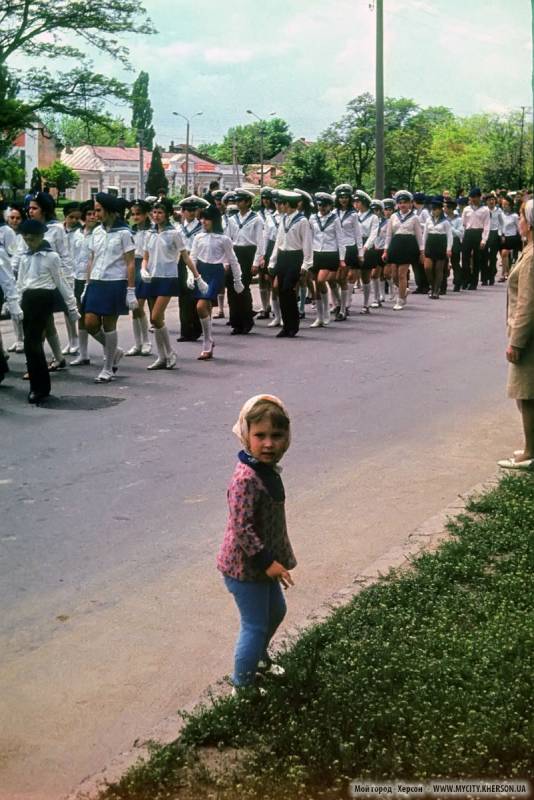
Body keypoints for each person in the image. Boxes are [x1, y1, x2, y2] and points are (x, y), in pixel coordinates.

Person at [217, 395, 296, 691]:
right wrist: (269, 563)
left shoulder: (266, 470)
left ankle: (259, 659)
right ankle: (243, 686)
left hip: (262, 565)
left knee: (276, 612)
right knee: (254, 625)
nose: (268, 444)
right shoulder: (246, 478)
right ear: (245, 436)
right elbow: (242, 528)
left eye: (276, 436)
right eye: (259, 435)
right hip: (245, 568)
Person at [16, 219, 79, 403]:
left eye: (33, 238)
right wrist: (16, 303)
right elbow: (21, 282)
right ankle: (38, 385)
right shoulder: (25, 257)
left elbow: (61, 281)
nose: (29, 240)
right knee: (30, 345)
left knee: (33, 343)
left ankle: (40, 387)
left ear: (41, 236)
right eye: (26, 238)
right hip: (28, 299)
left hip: (43, 298)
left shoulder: (51, 257)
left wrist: (71, 305)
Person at [82, 192, 138, 383]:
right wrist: (86, 284)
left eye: (99, 210)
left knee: (109, 325)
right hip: (96, 282)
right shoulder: (96, 232)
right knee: (89, 322)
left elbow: (130, 263)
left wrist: (131, 291)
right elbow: (91, 259)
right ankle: (115, 351)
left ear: (110, 211)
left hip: (115, 282)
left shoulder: (124, 233)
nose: (95, 214)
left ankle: (107, 368)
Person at [139, 199, 201, 370]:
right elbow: (145, 257)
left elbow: (185, 256)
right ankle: (162, 356)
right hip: (152, 278)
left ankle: (170, 353)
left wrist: (197, 277)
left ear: (166, 214)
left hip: (168, 277)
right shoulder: (149, 234)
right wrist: (142, 270)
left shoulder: (174, 233)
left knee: (155, 317)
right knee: (157, 320)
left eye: (160, 212)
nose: (156, 215)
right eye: (154, 212)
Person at [498, 198, 534, 471]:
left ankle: (530, 452)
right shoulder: (528, 250)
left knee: (526, 393)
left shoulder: (531, 257)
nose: (518, 223)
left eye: (521, 218)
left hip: (528, 338)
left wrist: (516, 341)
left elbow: (527, 303)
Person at [189, 204, 242, 360]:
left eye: (208, 219)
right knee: (205, 308)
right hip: (201, 271)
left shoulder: (224, 239)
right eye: (202, 219)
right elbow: (192, 257)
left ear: (215, 220)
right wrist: (191, 275)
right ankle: (209, 339)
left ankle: (207, 341)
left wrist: (237, 280)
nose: (204, 222)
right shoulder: (198, 237)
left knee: (201, 306)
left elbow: (233, 260)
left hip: (216, 272)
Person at [267, 190, 313, 337]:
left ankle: (293, 325)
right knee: (281, 290)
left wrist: (306, 264)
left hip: (295, 257)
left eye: (281, 203)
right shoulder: (284, 219)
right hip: (283, 257)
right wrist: (273, 260)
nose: (279, 206)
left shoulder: (302, 220)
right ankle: (286, 326)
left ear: (288, 204)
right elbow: (278, 242)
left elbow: (307, 243)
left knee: (288, 289)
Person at [226, 188, 263, 334]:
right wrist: (226, 260)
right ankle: (236, 322)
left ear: (248, 202)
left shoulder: (256, 219)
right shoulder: (232, 219)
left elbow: (260, 242)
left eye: (240, 200)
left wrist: (256, 262)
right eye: (236, 201)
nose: (238, 203)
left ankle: (246, 321)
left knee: (243, 288)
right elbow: (227, 240)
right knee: (232, 288)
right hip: (235, 252)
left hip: (248, 253)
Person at [69, 200, 99, 366]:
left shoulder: (100, 233)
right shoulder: (76, 234)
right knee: (80, 315)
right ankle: (83, 353)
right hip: (78, 277)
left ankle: (109, 350)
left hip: (94, 278)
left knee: (95, 317)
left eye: (95, 213)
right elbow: (71, 255)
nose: (92, 217)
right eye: (89, 214)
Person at [309, 192, 345, 327]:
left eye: (325, 205)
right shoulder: (313, 218)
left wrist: (341, 258)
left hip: (330, 253)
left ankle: (327, 313)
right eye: (319, 205)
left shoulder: (335, 219)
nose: (322, 208)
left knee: (321, 280)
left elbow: (340, 240)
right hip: (316, 253)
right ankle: (320, 316)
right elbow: (310, 237)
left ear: (330, 206)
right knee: (317, 286)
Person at [383, 190, 424, 310]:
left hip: (408, 245)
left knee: (402, 274)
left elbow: (419, 235)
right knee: (394, 275)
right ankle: (403, 289)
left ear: (410, 203)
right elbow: (389, 235)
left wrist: (422, 251)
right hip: (395, 245)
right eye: (400, 203)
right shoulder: (394, 216)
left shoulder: (415, 218)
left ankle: (400, 299)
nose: (402, 205)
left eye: (405, 202)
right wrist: (386, 250)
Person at [176, 195, 207, 341]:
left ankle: (196, 328)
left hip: (196, 261)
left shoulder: (201, 227)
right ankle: (185, 330)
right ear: (182, 212)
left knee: (195, 295)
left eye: (194, 210)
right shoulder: (178, 228)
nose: (191, 213)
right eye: (188, 210)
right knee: (183, 297)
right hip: (182, 261)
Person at [125, 199, 153, 357]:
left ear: (145, 214)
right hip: (132, 266)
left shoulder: (152, 231)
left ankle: (147, 341)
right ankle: (137, 343)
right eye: (133, 214)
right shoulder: (130, 231)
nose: (135, 217)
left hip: (145, 266)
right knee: (133, 308)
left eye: (139, 214)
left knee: (139, 306)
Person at [334, 184, 363, 318]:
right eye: (341, 197)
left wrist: (360, 252)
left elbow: (358, 234)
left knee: (342, 278)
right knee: (333, 279)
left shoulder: (353, 215)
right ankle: (338, 303)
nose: (343, 200)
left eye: (346, 197)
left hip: (349, 248)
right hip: (335, 248)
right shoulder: (334, 213)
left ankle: (343, 309)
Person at [422, 196, 452, 299]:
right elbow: (425, 234)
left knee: (438, 269)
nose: (434, 211)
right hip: (430, 245)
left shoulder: (445, 222)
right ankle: (431, 285)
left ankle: (436, 290)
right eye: (432, 209)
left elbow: (449, 236)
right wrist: (422, 248)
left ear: (440, 210)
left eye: (436, 209)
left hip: (440, 245)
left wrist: (448, 249)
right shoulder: (428, 220)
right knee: (428, 268)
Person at [355, 190, 379, 315]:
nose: (356, 204)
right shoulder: (354, 216)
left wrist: (365, 247)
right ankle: (345, 305)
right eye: (355, 202)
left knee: (365, 277)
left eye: (358, 202)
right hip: (355, 245)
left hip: (367, 246)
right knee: (350, 275)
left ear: (364, 202)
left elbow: (373, 234)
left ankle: (365, 304)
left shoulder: (373, 217)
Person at [461, 187, 490, 290]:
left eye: (475, 197)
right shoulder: (466, 209)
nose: (473, 199)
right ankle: (465, 280)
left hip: (479, 233)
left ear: (479, 197)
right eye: (471, 197)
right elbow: (463, 224)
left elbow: (487, 226)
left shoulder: (485, 209)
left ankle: (474, 282)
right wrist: (462, 237)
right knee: (465, 258)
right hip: (468, 233)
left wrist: (484, 240)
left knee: (477, 259)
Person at [499, 195, 521, 283]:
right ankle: (505, 272)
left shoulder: (515, 216)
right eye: (503, 204)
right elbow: (500, 226)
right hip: (503, 238)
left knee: (506, 254)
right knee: (504, 256)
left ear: (510, 205)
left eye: (506, 204)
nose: (505, 206)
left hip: (513, 238)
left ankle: (505, 273)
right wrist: (501, 235)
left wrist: (522, 237)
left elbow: (519, 227)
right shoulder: (500, 215)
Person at [444, 198, 464, 292]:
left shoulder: (459, 219)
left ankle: (457, 282)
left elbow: (460, 233)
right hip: (444, 241)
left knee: (455, 262)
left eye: (446, 208)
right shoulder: (442, 218)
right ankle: (442, 284)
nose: (444, 209)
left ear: (451, 209)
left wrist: (450, 227)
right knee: (443, 263)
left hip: (455, 241)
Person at [483, 193, 504, 286]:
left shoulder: (498, 211)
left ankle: (491, 277)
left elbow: (501, 223)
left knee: (492, 256)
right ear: (486, 202)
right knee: (484, 256)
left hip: (495, 233)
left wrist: (501, 234)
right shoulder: (484, 210)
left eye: (493, 200)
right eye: (489, 200)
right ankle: (484, 278)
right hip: (485, 233)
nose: (491, 202)